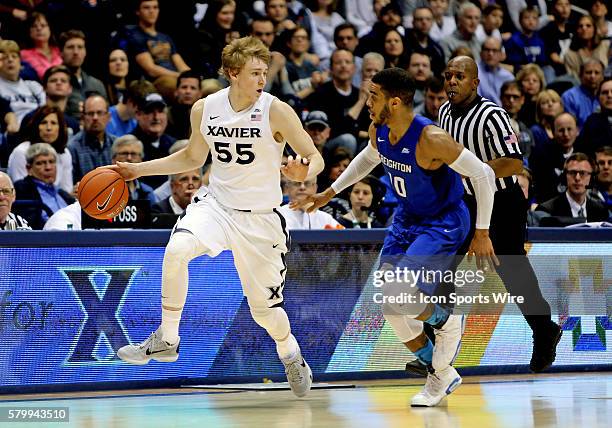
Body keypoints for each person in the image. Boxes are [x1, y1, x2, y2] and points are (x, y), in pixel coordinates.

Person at [111, 36, 324, 398]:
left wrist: (303, 171)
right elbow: (193, 157)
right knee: (176, 249)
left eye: (265, 73)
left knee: (265, 313)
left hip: (260, 220)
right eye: (255, 73)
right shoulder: (205, 108)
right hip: (217, 205)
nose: (262, 80)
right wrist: (139, 170)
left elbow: (314, 157)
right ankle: (168, 337)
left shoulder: (276, 110)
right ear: (232, 73)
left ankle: (290, 354)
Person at [293, 67, 498, 407]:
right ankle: (440, 374)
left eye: (374, 96)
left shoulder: (431, 139)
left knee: (401, 293)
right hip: (406, 219)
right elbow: (369, 158)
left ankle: (446, 320)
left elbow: (484, 174)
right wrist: (330, 191)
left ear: (397, 102)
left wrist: (482, 231)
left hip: (442, 221)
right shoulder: (379, 129)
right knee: (388, 304)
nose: (367, 102)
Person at [439, 56, 562, 372]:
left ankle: (544, 329)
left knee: (511, 268)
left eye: (459, 76)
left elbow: (513, 163)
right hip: (463, 202)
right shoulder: (442, 113)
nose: (452, 81)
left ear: (475, 82)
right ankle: (435, 348)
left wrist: (473, 173)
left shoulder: (492, 116)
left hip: (502, 199)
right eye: (448, 75)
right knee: (442, 263)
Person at [535, 153, 609, 222]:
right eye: (572, 173)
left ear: (591, 179)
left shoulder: (601, 211)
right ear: (564, 177)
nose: (577, 178)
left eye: (582, 173)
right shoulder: (547, 210)